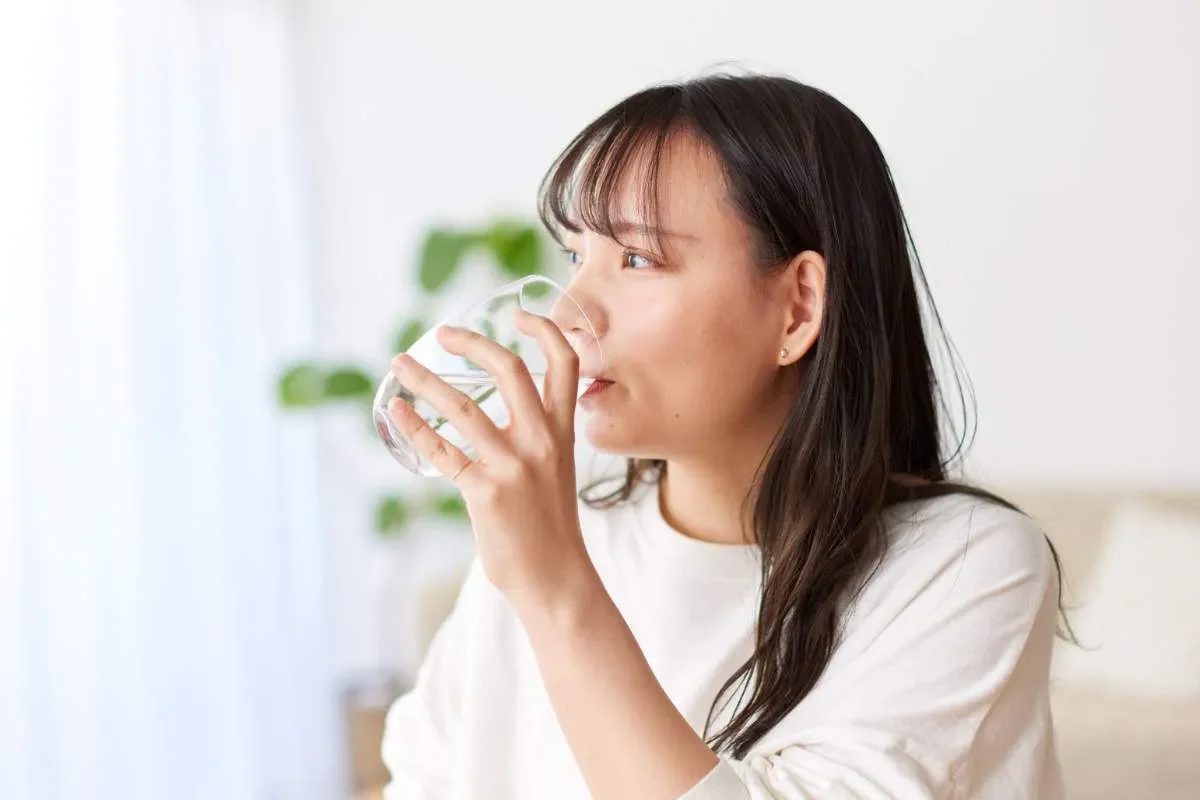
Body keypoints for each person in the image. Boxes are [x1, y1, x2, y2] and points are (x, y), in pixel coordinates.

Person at [378, 72, 1070, 799]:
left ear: (798, 309)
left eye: (638, 259)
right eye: (579, 257)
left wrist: (555, 587)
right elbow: (425, 778)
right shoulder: (565, 523)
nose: (573, 313)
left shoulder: (964, 566)